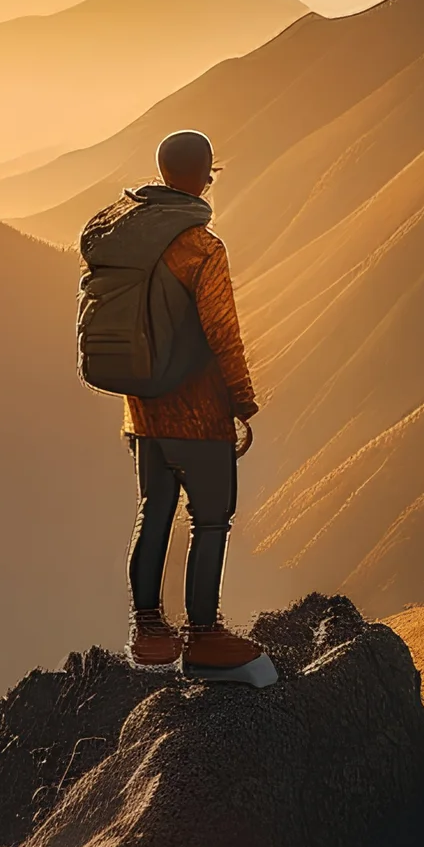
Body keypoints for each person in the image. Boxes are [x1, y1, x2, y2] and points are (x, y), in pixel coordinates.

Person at [113, 129, 274, 681]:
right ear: (202, 175)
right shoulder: (202, 248)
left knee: (153, 509)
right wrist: (244, 402)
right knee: (210, 520)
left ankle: (148, 626)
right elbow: (223, 332)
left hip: (143, 409)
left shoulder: (128, 238)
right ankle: (204, 635)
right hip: (198, 414)